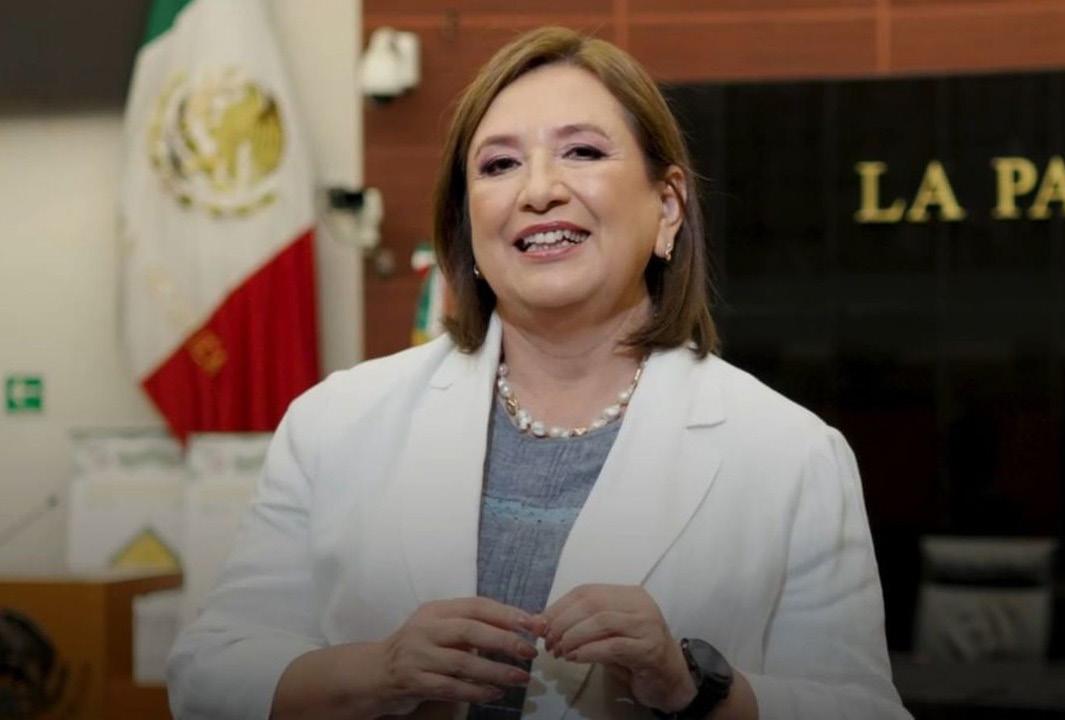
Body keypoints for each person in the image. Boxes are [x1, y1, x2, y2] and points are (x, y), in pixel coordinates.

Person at [167, 26, 910, 720]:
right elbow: (207, 676)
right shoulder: (334, 422)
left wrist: (690, 687)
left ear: (667, 206)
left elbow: (865, 709)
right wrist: (380, 670)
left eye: (582, 152)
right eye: (499, 164)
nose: (539, 189)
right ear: (467, 223)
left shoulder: (793, 455)